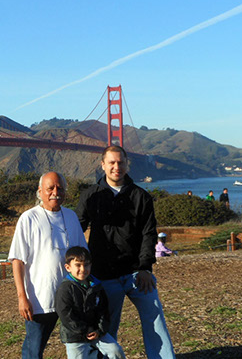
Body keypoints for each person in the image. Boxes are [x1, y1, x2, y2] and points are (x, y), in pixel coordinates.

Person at [76, 145, 176, 359]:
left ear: (127, 164)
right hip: (104, 274)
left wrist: (145, 268)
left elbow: (149, 234)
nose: (116, 167)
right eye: (111, 162)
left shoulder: (142, 196)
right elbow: (77, 229)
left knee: (155, 318)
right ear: (102, 165)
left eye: (120, 162)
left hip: (135, 272)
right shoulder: (90, 195)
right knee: (107, 327)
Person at [9, 172, 88, 359]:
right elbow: (17, 260)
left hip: (72, 297)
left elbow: (83, 254)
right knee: (34, 349)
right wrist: (22, 297)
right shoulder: (28, 218)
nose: (55, 192)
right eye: (50, 188)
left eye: (60, 188)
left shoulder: (71, 216)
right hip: (40, 299)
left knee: (81, 345)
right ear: (40, 191)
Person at [55, 246, 126, 359]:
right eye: (78, 265)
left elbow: (103, 309)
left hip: (97, 332)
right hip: (75, 336)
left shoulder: (97, 285)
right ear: (68, 267)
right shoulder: (65, 289)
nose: (83, 269)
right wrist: (85, 330)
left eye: (86, 265)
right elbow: (66, 315)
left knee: (115, 351)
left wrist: (100, 330)